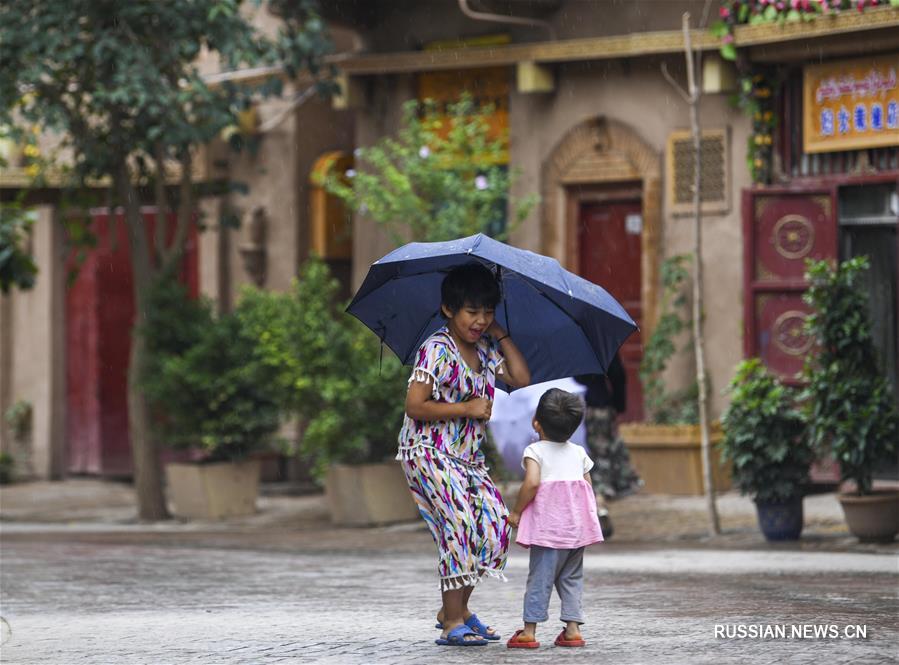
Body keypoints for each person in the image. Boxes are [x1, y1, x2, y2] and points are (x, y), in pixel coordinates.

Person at [398, 262, 531, 647]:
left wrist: (500, 333)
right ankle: (452, 621)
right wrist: (465, 408)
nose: (480, 320)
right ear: (448, 309)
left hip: (467, 458)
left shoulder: (487, 349)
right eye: (472, 311)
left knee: (494, 526)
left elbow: (521, 378)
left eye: (487, 311)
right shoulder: (436, 350)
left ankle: (456, 609)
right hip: (427, 451)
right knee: (460, 524)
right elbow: (415, 406)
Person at [506, 388, 604, 649]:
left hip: (548, 532)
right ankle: (572, 629)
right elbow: (587, 487)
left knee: (540, 579)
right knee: (571, 577)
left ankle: (529, 631)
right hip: (576, 531)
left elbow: (532, 483)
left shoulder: (535, 451)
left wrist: (516, 511)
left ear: (536, 422)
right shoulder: (579, 452)